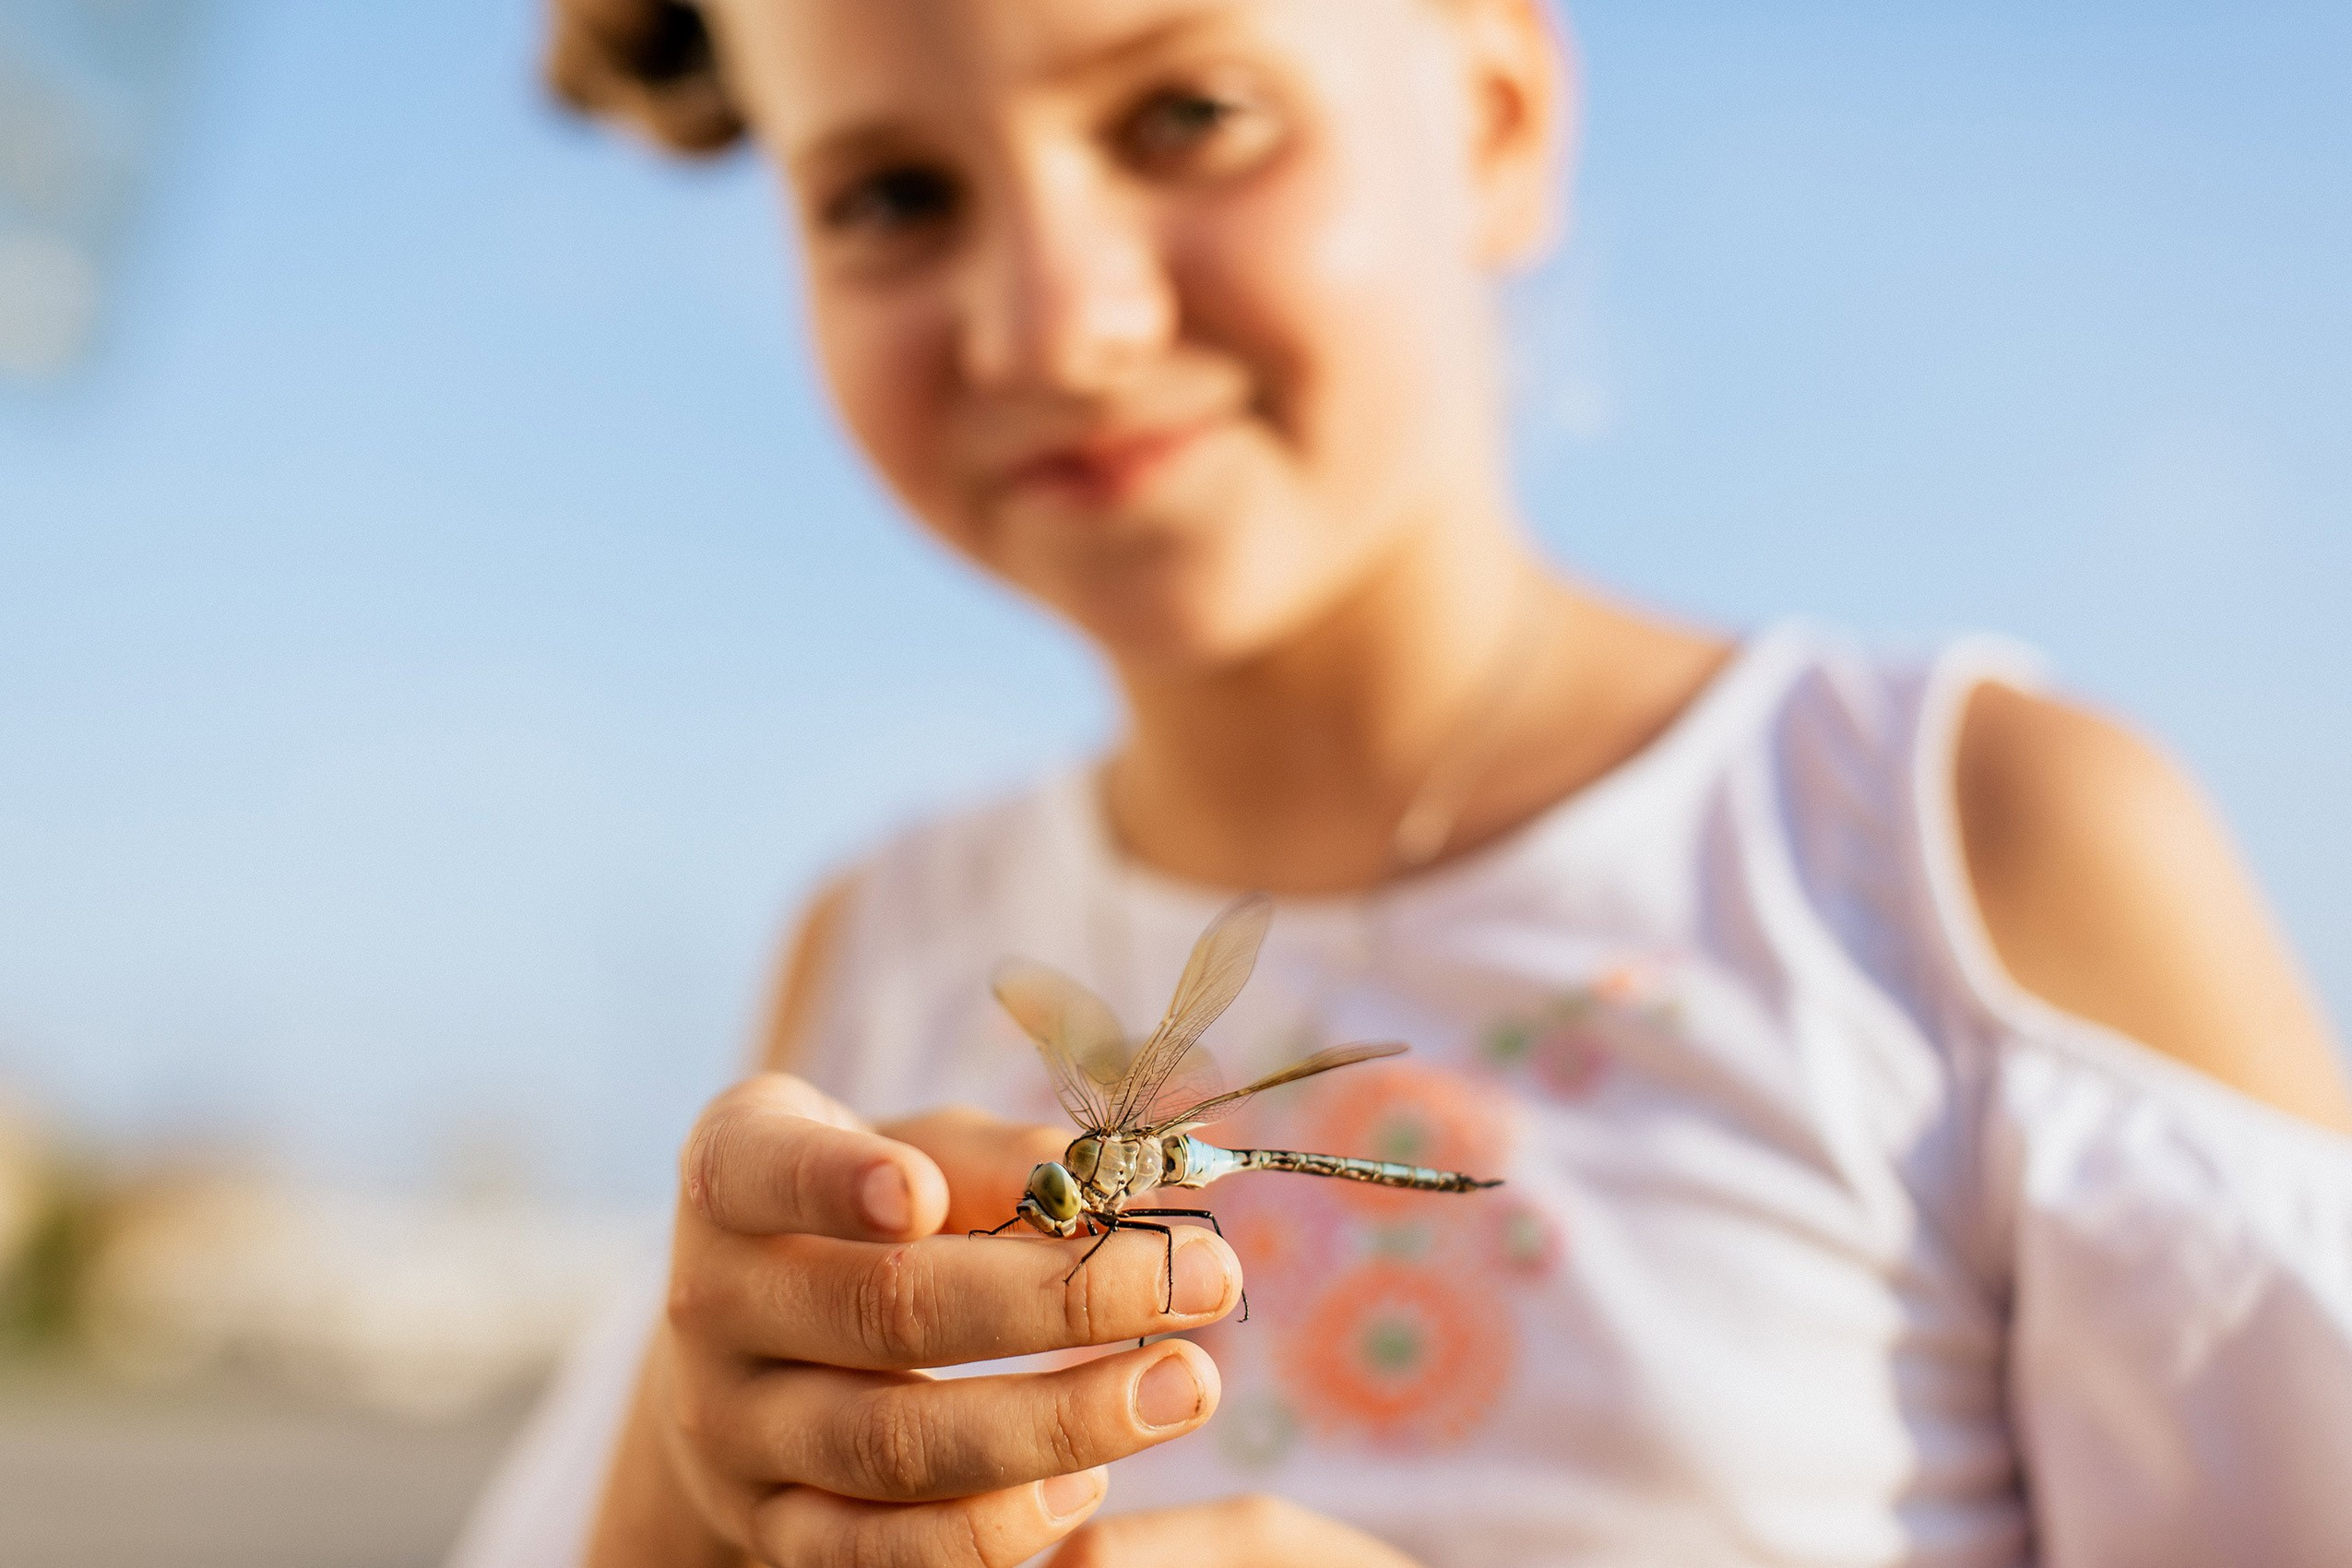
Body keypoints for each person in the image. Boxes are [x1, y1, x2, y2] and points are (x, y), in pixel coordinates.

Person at [452, 2, 2352, 1564]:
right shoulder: (872, 952)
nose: (1059, 324)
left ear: (1500, 115)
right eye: (887, 195)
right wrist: (696, 1498)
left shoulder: (1969, 845)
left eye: (1189, 110)